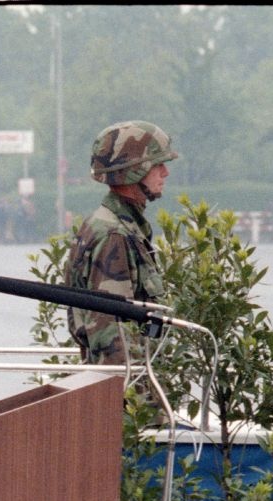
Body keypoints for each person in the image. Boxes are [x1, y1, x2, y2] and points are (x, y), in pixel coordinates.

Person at [63, 120, 179, 368]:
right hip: (125, 392)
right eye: (157, 164)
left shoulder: (119, 226)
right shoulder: (114, 234)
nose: (165, 172)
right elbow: (111, 337)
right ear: (134, 170)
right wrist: (131, 402)